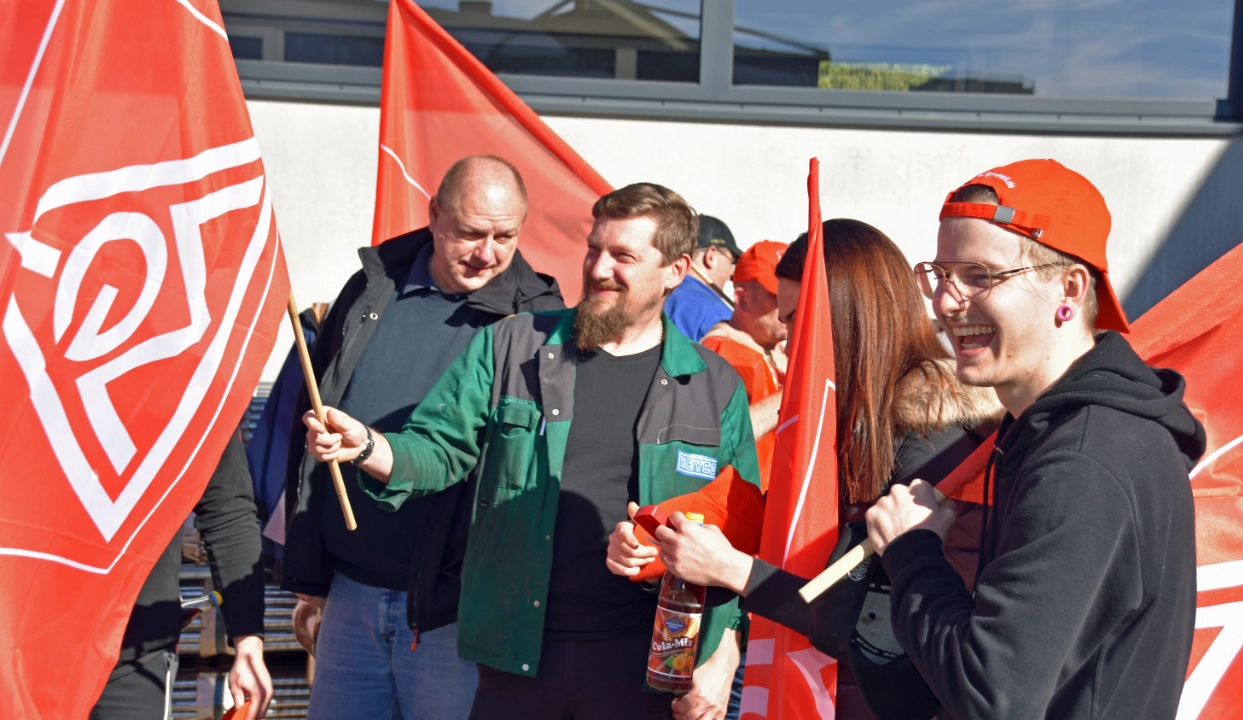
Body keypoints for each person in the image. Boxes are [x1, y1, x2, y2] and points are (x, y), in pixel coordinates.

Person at [304, 183, 759, 720]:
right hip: (517, 660)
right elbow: (438, 448)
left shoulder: (715, 385)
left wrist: (723, 653)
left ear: (675, 271)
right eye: (594, 248)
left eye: (623, 257)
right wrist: (367, 448)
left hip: (648, 669)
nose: (598, 268)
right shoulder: (512, 346)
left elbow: (742, 534)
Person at [611, 219, 1003, 720]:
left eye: (799, 322)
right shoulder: (855, 423)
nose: (790, 344)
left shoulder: (935, 442)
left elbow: (875, 626)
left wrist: (731, 568)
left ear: (847, 317)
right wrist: (670, 544)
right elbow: (799, 564)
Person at [864, 159, 1205, 719]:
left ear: (1068, 288)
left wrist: (913, 550)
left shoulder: (1084, 459)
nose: (947, 303)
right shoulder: (1049, 430)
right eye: (941, 275)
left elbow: (990, 694)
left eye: (979, 275)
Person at [282, 155, 564, 720]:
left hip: (456, 613)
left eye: (505, 236)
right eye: (470, 233)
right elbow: (312, 417)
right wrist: (310, 577)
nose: (487, 253)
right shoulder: (372, 285)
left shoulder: (537, 320)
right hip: (351, 593)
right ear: (434, 215)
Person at [91, 433, 273, 720]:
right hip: (21, 648)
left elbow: (226, 509)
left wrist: (248, 640)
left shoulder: (193, 389)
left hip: (133, 654)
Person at [700, 240, 789, 484]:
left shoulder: (784, 349)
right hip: (733, 511)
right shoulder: (716, 352)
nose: (792, 303)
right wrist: (797, 392)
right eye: (779, 295)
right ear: (742, 300)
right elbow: (714, 439)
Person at [664, 215, 740, 341]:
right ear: (711, 256)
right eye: (731, 262)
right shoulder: (717, 314)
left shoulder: (657, 293)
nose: (732, 275)